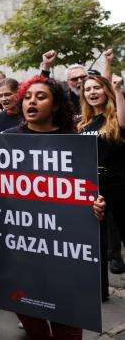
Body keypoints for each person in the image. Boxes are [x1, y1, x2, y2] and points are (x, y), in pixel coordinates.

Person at [4, 75, 105, 337]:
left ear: (56, 104)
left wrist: (95, 204)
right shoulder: (6, 140)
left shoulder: (75, 141)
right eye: (27, 97)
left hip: (64, 248)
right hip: (23, 246)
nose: (31, 102)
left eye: (40, 97)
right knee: (29, 311)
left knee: (68, 321)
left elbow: (86, 187)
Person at [78, 74, 125, 279]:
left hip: (120, 187)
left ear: (106, 90)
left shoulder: (116, 118)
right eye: (87, 89)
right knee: (98, 242)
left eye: (96, 87)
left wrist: (119, 91)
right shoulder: (84, 124)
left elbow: (123, 123)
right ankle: (100, 290)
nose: (92, 92)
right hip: (94, 188)